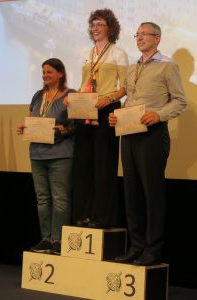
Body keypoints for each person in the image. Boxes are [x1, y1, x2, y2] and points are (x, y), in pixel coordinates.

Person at [109, 22, 187, 266]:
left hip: (152, 135)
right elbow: (131, 99)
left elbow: (180, 102)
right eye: (137, 34)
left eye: (145, 34)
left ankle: (153, 250)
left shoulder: (168, 65)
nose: (140, 38)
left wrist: (158, 115)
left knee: (151, 193)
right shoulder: (132, 69)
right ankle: (137, 246)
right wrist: (118, 114)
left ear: (158, 38)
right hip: (129, 133)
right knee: (131, 193)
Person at [69, 8, 129, 229]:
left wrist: (108, 99)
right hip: (86, 111)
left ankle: (101, 217)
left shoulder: (118, 53)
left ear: (110, 28)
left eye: (99, 24)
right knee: (83, 166)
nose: (94, 28)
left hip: (107, 110)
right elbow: (85, 83)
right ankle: (82, 215)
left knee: (104, 167)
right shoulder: (87, 53)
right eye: (92, 24)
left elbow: (125, 87)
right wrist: (72, 98)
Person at [17, 58, 76, 255]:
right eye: (43, 72)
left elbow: (79, 125)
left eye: (49, 72)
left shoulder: (71, 95)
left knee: (60, 198)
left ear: (60, 73)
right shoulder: (37, 96)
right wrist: (25, 127)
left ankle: (58, 240)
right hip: (37, 153)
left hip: (61, 153)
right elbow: (33, 118)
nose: (45, 75)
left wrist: (65, 130)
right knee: (42, 199)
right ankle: (45, 238)